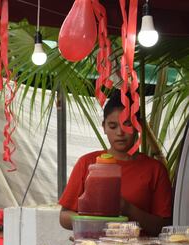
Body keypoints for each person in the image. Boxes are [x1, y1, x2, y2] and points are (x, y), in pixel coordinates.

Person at [59, 94, 173, 237]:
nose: (119, 133)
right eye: (112, 126)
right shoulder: (87, 163)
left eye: (127, 125)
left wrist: (127, 208)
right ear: (104, 127)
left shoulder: (155, 170)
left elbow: (163, 226)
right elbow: (64, 216)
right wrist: (92, 222)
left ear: (138, 126)